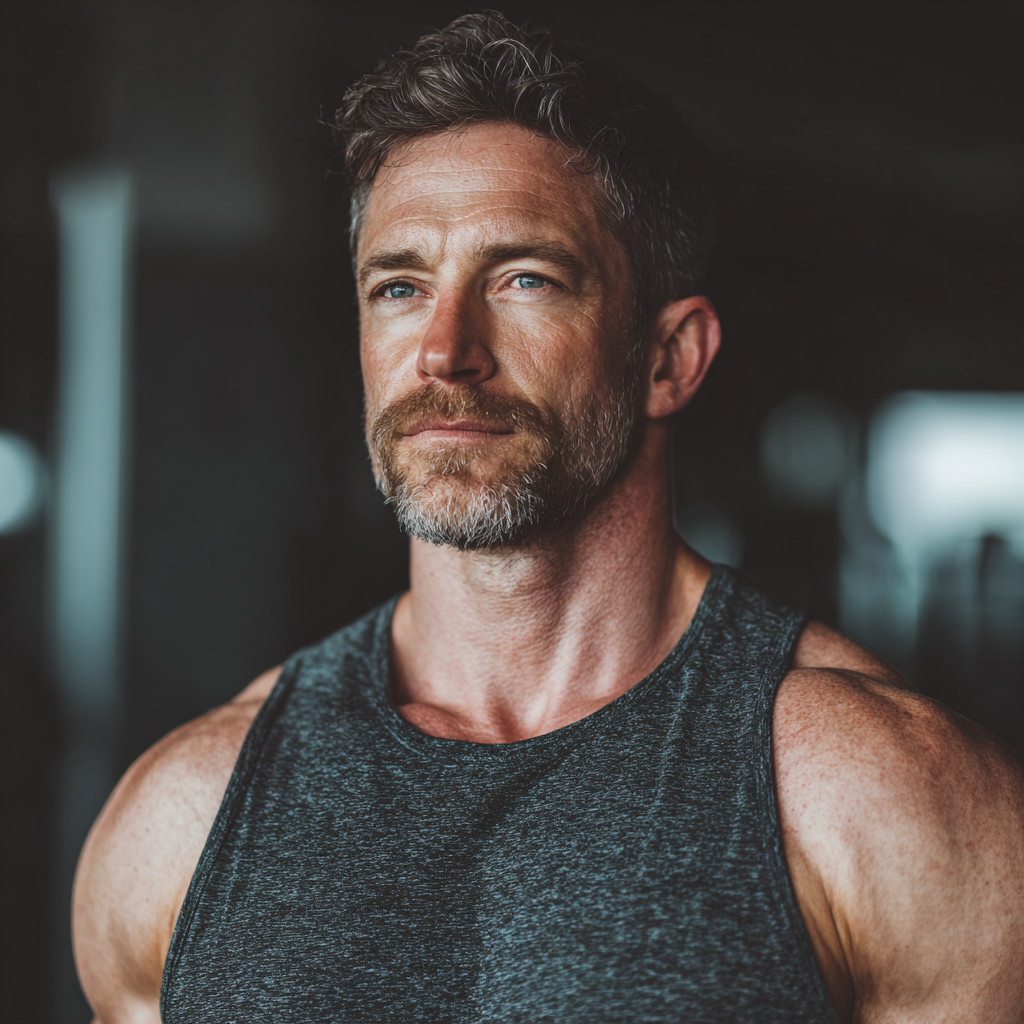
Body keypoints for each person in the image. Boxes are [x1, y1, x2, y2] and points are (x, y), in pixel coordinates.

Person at [73, 12, 1024, 1023]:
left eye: (524, 279)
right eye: (399, 286)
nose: (444, 350)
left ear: (668, 359)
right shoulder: (185, 811)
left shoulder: (879, 795)